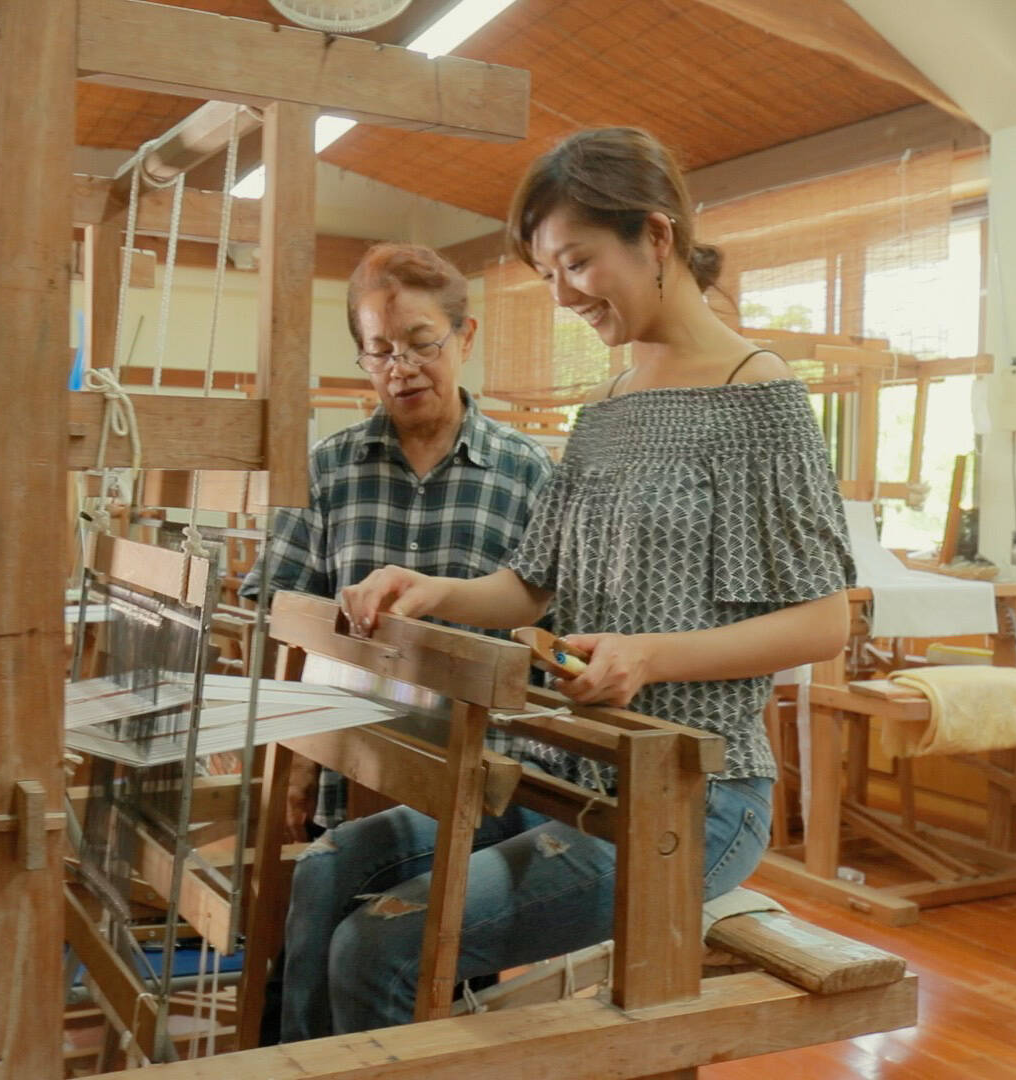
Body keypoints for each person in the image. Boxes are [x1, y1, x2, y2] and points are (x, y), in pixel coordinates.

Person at [275, 127, 856, 1040]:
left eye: (577, 262)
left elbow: (824, 624)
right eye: (548, 274)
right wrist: (427, 588)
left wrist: (648, 656)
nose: (564, 295)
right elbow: (529, 586)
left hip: (695, 795)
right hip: (571, 773)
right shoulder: (608, 405)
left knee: (377, 949)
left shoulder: (760, 396)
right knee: (325, 871)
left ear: (655, 238)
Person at [241, 242, 554, 838]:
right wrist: (298, 751)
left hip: (477, 791)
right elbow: (273, 616)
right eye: (380, 351)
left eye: (421, 343)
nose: (401, 367)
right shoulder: (328, 469)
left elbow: (549, 641)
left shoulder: (529, 474)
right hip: (345, 766)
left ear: (466, 337)